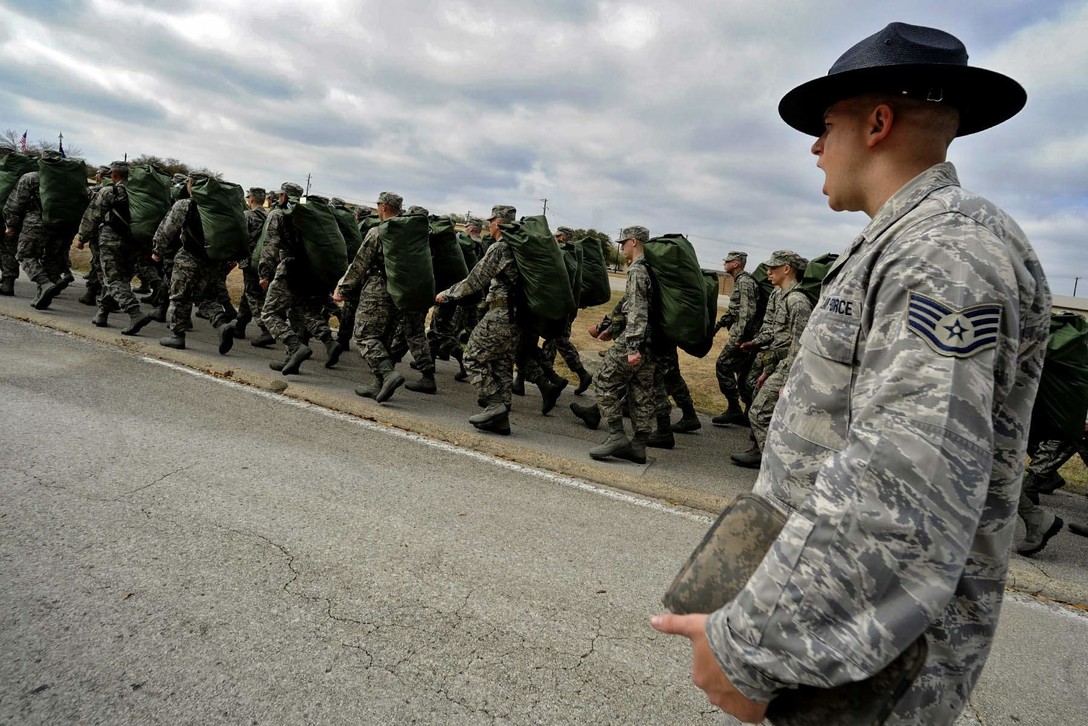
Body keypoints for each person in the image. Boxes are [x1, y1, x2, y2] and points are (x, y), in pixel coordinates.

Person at [652, 23, 1049, 724]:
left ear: (877, 122)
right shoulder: (900, 242)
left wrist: (752, 649)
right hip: (841, 654)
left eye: (825, 124)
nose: (813, 145)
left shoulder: (945, 252)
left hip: (873, 669)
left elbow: (902, 488)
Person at [435, 205, 522, 435]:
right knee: (501, 363)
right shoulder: (522, 247)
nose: (489, 225)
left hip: (501, 312)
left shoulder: (500, 248)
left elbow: (475, 280)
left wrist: (447, 294)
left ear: (499, 223)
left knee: (472, 356)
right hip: (518, 316)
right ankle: (501, 421)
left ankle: (495, 404)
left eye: (491, 221)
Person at [730, 250, 811, 468]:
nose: (768, 272)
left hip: (788, 366)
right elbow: (774, 334)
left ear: (787, 269)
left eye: (773, 268)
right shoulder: (779, 295)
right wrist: (755, 345)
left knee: (758, 412)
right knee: (756, 397)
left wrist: (787, 381)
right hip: (775, 361)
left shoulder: (797, 302)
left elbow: (799, 347)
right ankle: (759, 450)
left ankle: (773, 464)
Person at [582, 226, 655, 464]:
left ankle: (616, 435)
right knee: (640, 392)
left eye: (623, 243)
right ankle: (639, 446)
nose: (621, 247)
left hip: (636, 338)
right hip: (653, 341)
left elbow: (637, 308)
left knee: (603, 380)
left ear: (634, 242)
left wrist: (633, 346)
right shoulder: (651, 268)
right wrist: (610, 327)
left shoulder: (637, 270)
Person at [74, 161, 154, 336]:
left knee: (113, 279)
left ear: (115, 175)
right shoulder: (141, 194)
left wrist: (82, 238)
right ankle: (102, 313)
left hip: (112, 241)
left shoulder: (110, 191)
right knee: (121, 277)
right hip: (135, 242)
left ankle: (135, 313)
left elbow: (93, 216)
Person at [711, 251, 760, 426]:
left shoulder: (745, 282)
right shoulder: (740, 280)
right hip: (747, 336)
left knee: (723, 365)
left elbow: (748, 312)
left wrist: (739, 338)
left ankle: (734, 409)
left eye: (728, 261)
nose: (725, 263)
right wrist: (716, 327)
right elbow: (734, 312)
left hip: (745, 336)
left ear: (737, 264)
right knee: (744, 375)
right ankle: (749, 413)